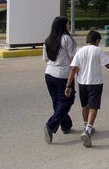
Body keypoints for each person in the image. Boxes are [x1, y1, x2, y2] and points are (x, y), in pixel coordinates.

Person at [65, 29, 109, 147]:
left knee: (85, 106)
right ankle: (88, 130)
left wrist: (69, 85)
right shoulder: (98, 50)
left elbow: (74, 69)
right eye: (99, 41)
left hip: (82, 83)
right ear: (96, 40)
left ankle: (86, 125)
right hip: (95, 83)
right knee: (93, 107)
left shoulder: (80, 51)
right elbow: (108, 65)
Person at [43, 16, 77, 144]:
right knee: (66, 102)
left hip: (49, 74)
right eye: (68, 24)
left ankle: (66, 125)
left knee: (57, 101)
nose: (69, 26)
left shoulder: (48, 40)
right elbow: (73, 59)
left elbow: (46, 59)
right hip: (63, 75)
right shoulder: (67, 39)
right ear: (63, 26)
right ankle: (51, 126)